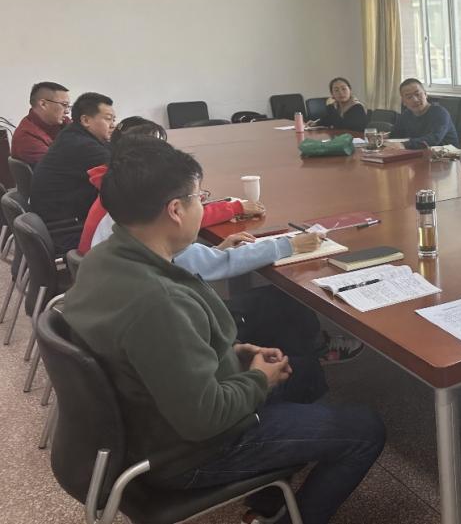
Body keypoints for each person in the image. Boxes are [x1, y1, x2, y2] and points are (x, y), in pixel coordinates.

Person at [62, 136, 385, 524]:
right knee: (365, 430)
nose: (203, 207)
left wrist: (233, 354)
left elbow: (159, 354)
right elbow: (205, 417)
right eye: (199, 198)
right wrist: (257, 379)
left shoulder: (105, 259)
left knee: (306, 372)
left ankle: (268, 493)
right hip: (188, 453)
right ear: (176, 210)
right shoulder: (156, 302)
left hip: (147, 421)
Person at [77, 117, 265, 255]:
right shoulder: (133, 193)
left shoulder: (118, 181)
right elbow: (181, 219)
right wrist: (234, 208)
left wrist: (216, 250)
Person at [30, 92, 116, 251]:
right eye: (108, 119)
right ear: (86, 120)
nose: (113, 125)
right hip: (66, 231)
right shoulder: (84, 146)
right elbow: (126, 173)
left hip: (57, 223)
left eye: (114, 120)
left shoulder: (73, 135)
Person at [10, 81, 71, 165]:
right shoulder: (27, 137)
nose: (67, 111)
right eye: (64, 105)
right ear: (43, 104)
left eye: (68, 106)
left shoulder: (61, 121)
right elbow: (60, 167)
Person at [391, 78, 458, 149]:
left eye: (417, 94)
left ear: (425, 94)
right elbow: (395, 135)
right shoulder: (406, 115)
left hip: (448, 154)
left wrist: (405, 145)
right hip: (418, 153)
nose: (415, 100)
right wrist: (385, 137)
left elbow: (433, 139)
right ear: (404, 102)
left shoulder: (440, 113)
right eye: (409, 97)